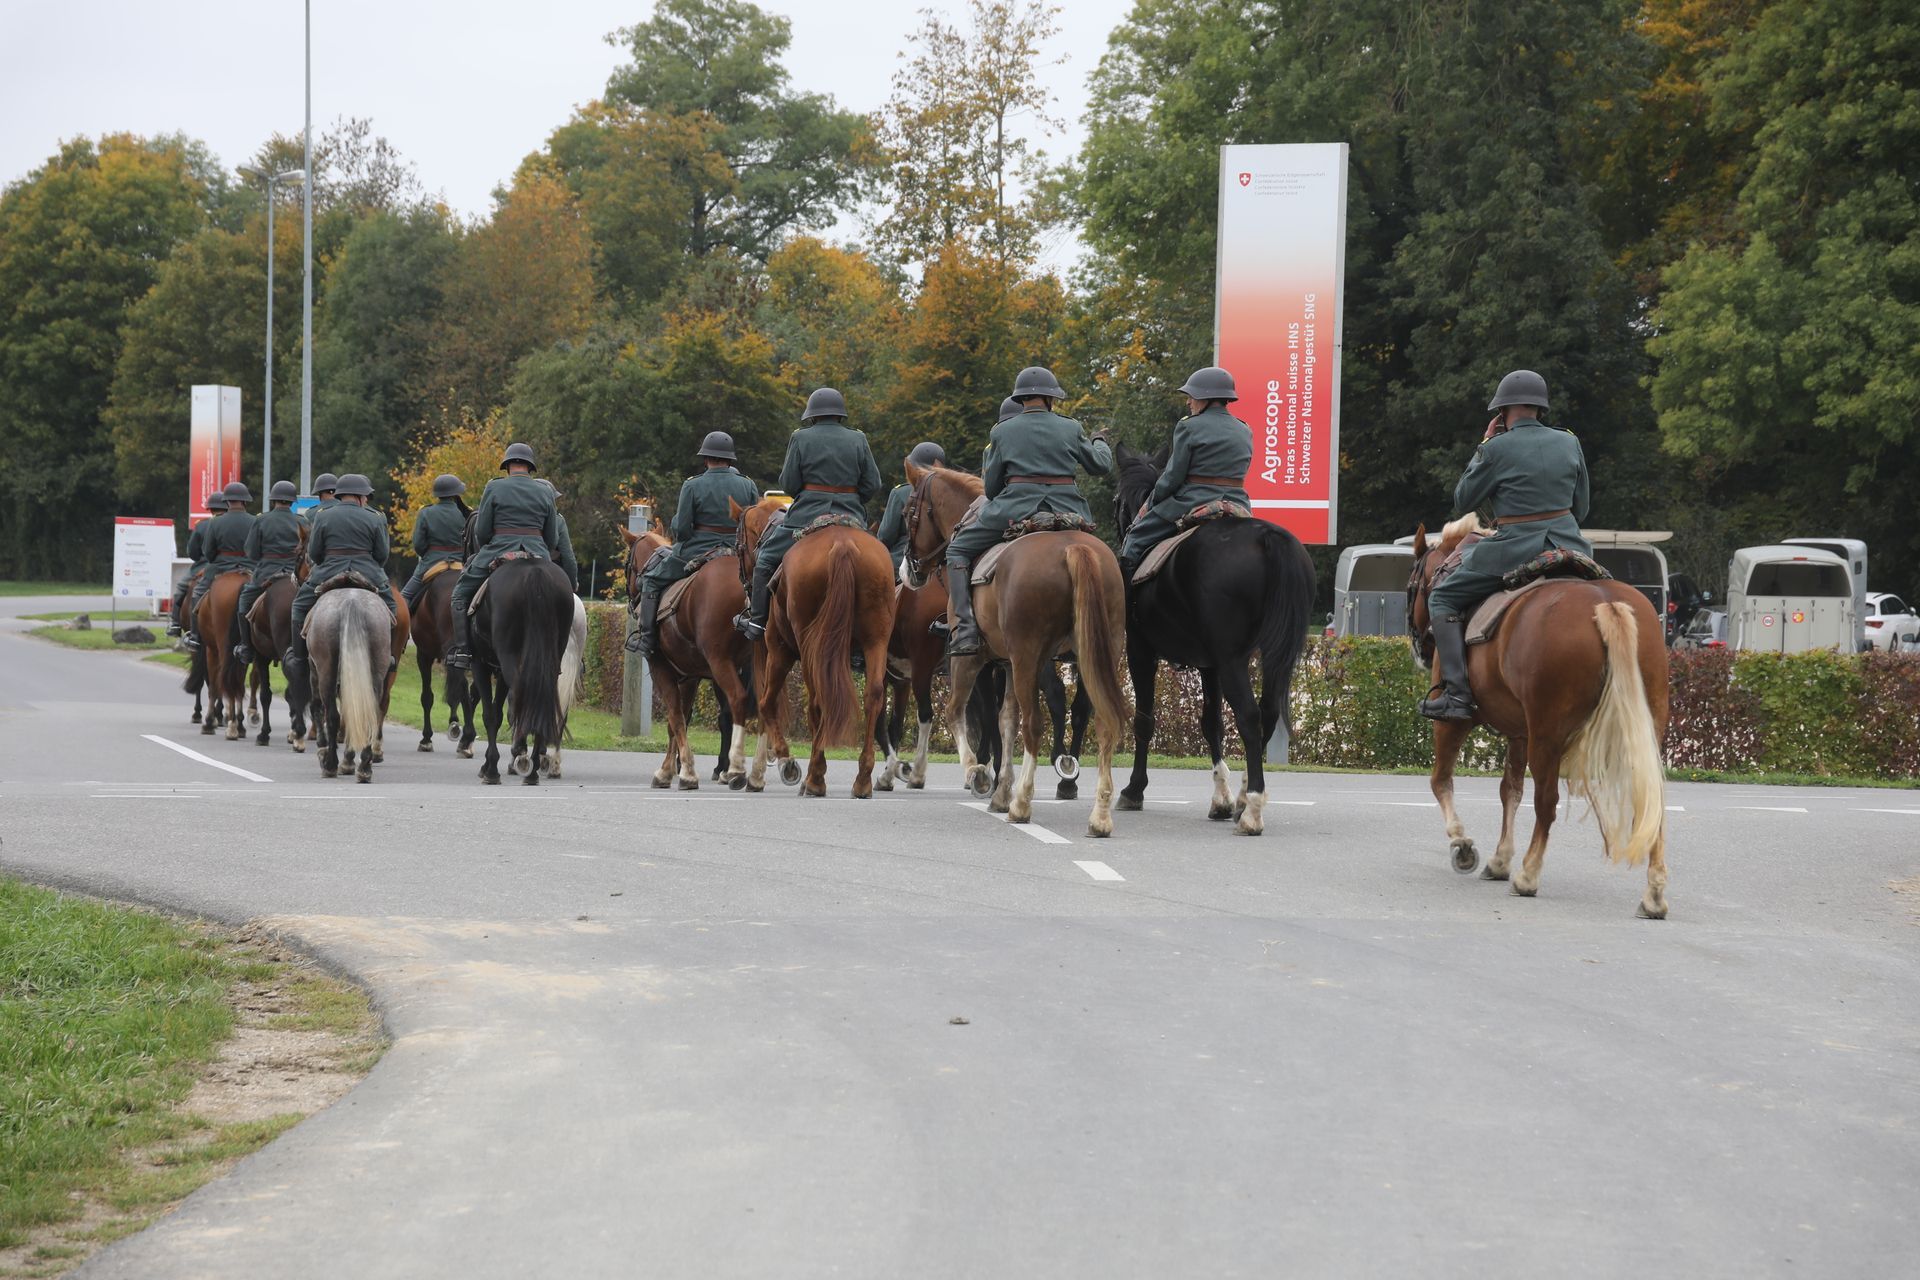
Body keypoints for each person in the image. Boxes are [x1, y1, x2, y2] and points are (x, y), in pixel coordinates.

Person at [1420, 369, 1591, 721]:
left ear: (1501, 412)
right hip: (1571, 547)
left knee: (1442, 597)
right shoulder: (1569, 442)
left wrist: (1484, 445)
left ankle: (1457, 696)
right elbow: (1583, 507)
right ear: (1540, 409)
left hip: (1515, 550)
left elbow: (1463, 499)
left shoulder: (1495, 448)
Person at [941, 367, 1112, 656]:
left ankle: (966, 628)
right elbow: (1101, 466)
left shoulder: (1002, 431)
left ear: (1020, 399)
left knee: (957, 550)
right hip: (1068, 510)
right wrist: (1099, 441)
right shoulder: (1071, 427)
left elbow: (991, 489)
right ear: (1051, 399)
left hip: (1014, 510)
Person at [734, 389, 883, 641]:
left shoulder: (800, 437)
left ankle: (757, 622)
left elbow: (789, 483)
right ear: (840, 414)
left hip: (806, 515)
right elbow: (873, 484)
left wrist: (809, 494)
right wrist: (852, 499)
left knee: (766, 558)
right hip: (851, 515)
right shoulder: (859, 438)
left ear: (812, 415)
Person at [629, 432, 759, 657]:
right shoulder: (747, 484)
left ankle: (647, 639)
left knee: (650, 580)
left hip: (697, 550)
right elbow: (753, 523)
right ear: (730, 460)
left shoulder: (692, 485)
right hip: (736, 553)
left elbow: (682, 531)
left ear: (705, 458)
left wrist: (677, 522)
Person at [1116, 366, 1253, 580]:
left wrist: (1151, 502)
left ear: (1206, 397)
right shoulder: (1244, 429)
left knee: (1135, 538)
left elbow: (1173, 476)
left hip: (1192, 502)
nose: (1188, 402)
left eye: (1191, 396)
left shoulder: (1189, 426)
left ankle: (1125, 597)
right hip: (1238, 503)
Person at [443, 443, 564, 670]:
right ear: (530, 467)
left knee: (459, 594)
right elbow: (552, 537)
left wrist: (491, 544)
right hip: (538, 552)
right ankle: (556, 658)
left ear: (507, 466)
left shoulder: (494, 487)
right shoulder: (545, 491)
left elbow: (482, 531)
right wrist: (540, 548)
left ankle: (463, 651)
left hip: (499, 548)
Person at [283, 474, 395, 681]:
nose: (367, 500)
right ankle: (389, 656)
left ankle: (298, 658)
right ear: (360, 496)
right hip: (368, 571)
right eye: (366, 496)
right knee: (391, 606)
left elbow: (315, 553)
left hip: (328, 570)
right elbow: (382, 555)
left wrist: (327, 561)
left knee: (298, 606)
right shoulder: (376, 517)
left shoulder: (323, 516)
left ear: (341, 494)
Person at [230, 481, 303, 663]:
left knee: (245, 600)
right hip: (295, 574)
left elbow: (251, 552)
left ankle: (246, 646)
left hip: (266, 572)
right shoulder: (302, 521)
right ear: (292, 501)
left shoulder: (261, 520)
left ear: (273, 500)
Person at [184, 482, 257, 651]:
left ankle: (194, 636)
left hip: (220, 567)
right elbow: (257, 548)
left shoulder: (215, 522)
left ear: (227, 501)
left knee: (198, 592)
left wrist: (217, 559)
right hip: (250, 567)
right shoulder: (255, 521)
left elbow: (208, 551)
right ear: (245, 501)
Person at [400, 474, 471, 609]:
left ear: (437, 494)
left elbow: (418, 545)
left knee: (405, 596)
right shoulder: (467, 513)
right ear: (456, 493)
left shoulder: (426, 512)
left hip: (431, 562)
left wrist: (428, 554)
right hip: (461, 562)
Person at [873, 441, 947, 568]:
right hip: (943, 560)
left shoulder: (900, 493)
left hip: (904, 560)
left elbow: (886, 536)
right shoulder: (950, 493)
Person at [166, 492, 224, 637]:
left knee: (181, 588)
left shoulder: (202, 526)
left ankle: (175, 623)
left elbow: (192, 552)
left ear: (210, 509)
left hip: (203, 565)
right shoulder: (231, 524)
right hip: (231, 566)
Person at [536, 479, 580, 594]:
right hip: (550, 568)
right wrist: (572, 584)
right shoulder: (558, 520)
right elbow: (568, 557)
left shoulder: (515, 516)